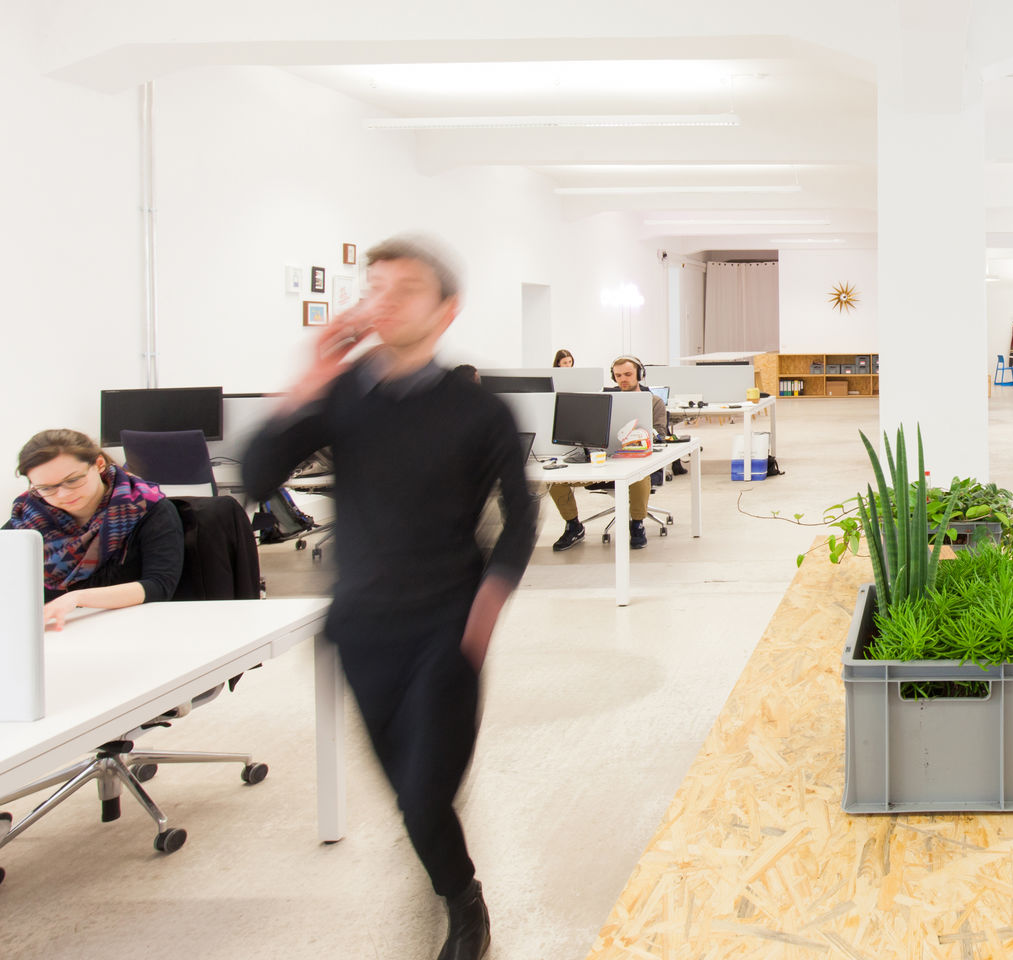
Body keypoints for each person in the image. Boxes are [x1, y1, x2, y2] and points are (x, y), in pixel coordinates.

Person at [243, 234, 535, 960]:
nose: (383, 303)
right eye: (373, 289)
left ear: (446, 309)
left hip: (447, 626)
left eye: (404, 290)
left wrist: (490, 600)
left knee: (424, 792)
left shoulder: (479, 410)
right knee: (408, 790)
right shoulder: (345, 395)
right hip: (362, 625)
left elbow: (521, 517)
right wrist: (311, 377)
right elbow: (255, 478)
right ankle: (446, 865)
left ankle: (463, 902)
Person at [7, 429, 182, 630]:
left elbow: (159, 586)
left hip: (132, 630)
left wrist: (77, 598)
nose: (63, 494)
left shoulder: (147, 509)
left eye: (73, 480)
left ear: (99, 464)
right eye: (46, 488)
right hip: (57, 635)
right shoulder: (26, 520)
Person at [548, 355, 668, 551]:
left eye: (628, 374)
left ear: (640, 374)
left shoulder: (653, 402)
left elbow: (661, 434)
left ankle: (637, 525)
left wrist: (641, 436)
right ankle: (573, 526)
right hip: (601, 460)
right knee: (555, 481)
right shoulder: (602, 400)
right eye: (618, 376)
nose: (623, 379)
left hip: (636, 461)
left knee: (640, 476)